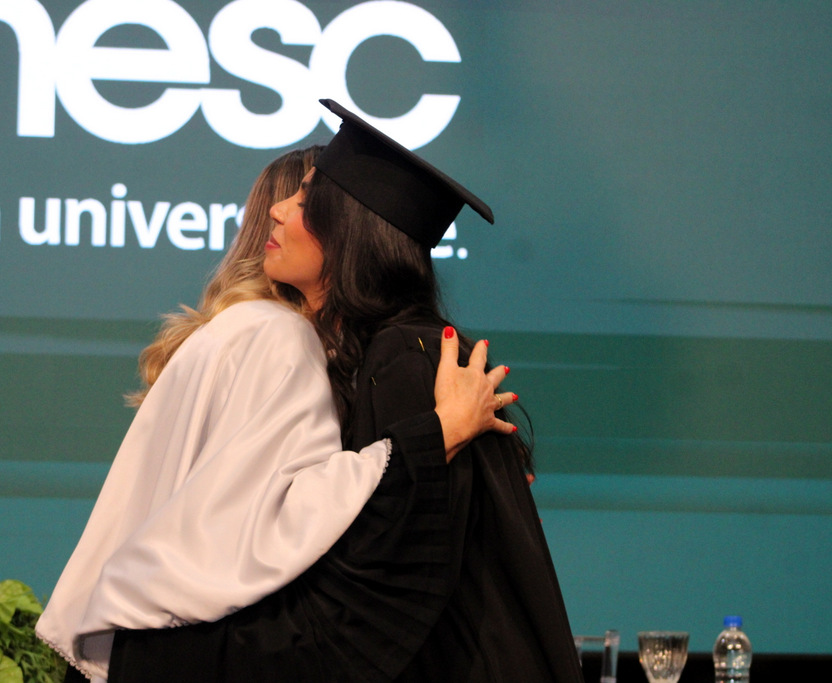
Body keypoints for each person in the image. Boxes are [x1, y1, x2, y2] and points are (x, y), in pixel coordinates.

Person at [106, 100, 583, 682]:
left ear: (349, 230)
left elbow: (384, 576)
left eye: (305, 200)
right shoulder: (368, 357)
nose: (277, 211)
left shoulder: (408, 360)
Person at [36, 146, 513, 682]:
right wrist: (442, 436)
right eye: (295, 195)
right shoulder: (279, 334)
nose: (277, 212)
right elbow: (282, 520)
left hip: (146, 637)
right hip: (184, 643)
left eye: (305, 201)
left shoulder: (242, 328)